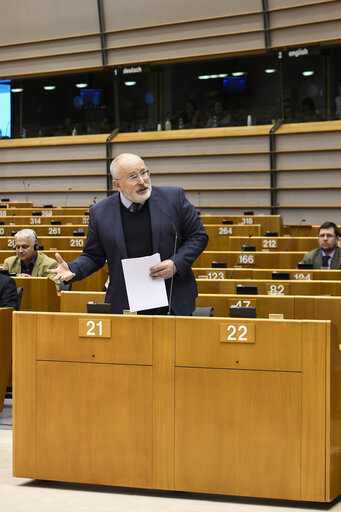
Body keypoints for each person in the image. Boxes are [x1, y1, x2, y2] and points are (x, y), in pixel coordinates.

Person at [49, 152, 208, 315]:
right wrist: (73, 268)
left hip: (173, 298)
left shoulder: (174, 198)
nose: (142, 181)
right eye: (133, 177)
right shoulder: (100, 212)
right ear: (117, 185)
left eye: (144, 172)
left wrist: (176, 263)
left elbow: (198, 236)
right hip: (126, 302)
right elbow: (93, 255)